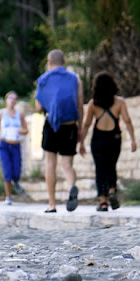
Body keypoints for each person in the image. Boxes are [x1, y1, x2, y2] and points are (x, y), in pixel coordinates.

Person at [79, 71, 137, 211]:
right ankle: (112, 192)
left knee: (100, 169)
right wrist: (133, 139)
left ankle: (103, 201)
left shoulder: (93, 104)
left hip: (98, 139)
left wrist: (81, 142)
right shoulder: (119, 102)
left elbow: (86, 124)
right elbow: (127, 120)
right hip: (114, 138)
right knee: (111, 166)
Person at [35, 49, 84, 213]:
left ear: (49, 62)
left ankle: (52, 204)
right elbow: (79, 105)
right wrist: (80, 127)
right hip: (70, 125)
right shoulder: (75, 79)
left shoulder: (43, 80)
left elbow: (38, 107)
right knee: (67, 164)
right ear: (64, 62)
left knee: (50, 163)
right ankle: (72, 186)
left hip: (52, 124)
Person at [0, 91, 28, 205]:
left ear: (16, 101)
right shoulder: (1, 114)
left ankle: (16, 182)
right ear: (6, 99)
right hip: (4, 144)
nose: (12, 101)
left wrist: (20, 130)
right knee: (7, 171)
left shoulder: (20, 114)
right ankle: (8, 196)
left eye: (14, 99)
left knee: (17, 171)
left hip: (15, 145)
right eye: (10, 98)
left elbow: (26, 130)